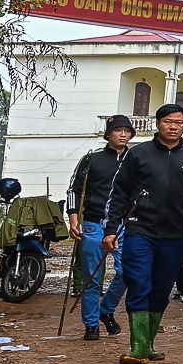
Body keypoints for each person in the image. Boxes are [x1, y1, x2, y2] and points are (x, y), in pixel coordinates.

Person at [102, 104, 183, 364]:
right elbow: (119, 194)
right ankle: (137, 346)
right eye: (168, 121)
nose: (173, 126)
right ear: (158, 124)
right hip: (140, 230)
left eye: (179, 122)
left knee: (162, 289)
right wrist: (111, 229)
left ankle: (149, 345)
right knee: (139, 282)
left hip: (175, 235)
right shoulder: (138, 154)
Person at [65, 115, 135, 341]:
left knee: (127, 272)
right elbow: (74, 190)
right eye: (117, 130)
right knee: (92, 277)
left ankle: (106, 310)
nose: (123, 134)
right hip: (93, 224)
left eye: (127, 131)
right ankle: (91, 324)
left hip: (124, 225)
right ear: (108, 134)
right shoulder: (91, 159)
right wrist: (73, 219)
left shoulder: (135, 160)